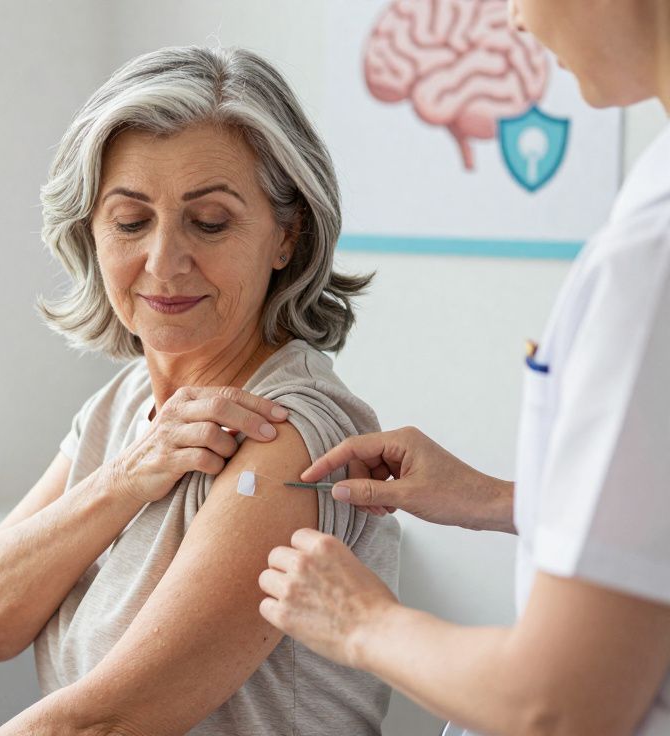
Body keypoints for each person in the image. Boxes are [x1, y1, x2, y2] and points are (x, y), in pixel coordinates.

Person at [0, 46, 400, 734]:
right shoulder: (122, 411)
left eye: (209, 222)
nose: (164, 261)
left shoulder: (285, 436)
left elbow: (105, 723)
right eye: (130, 221)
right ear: (89, 231)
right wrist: (123, 479)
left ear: (286, 235)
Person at [256, 1, 670, 734]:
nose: (514, 21)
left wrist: (362, 622)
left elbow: (558, 709)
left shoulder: (653, 260)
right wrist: (501, 499)